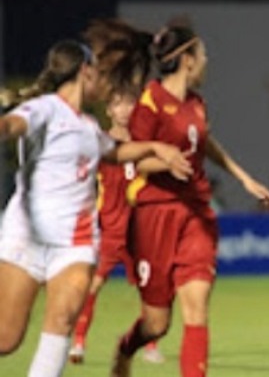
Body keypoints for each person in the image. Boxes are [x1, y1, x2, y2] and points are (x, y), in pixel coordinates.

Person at [0, 40, 190, 377]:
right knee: (6, 340)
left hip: (76, 244)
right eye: (99, 74)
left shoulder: (88, 126)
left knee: (61, 319)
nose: (102, 82)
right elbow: (13, 125)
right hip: (25, 238)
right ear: (84, 71)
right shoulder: (44, 108)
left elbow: (115, 150)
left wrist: (158, 148)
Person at [107, 23, 269, 377]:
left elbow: (205, 144)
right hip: (155, 215)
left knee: (196, 308)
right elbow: (133, 159)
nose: (206, 62)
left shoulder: (197, 104)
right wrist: (163, 157)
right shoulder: (150, 102)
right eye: (202, 55)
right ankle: (125, 349)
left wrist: (244, 178)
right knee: (156, 325)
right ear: (186, 59)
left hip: (197, 214)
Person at [68, 84, 165, 365]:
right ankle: (78, 343)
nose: (124, 110)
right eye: (118, 104)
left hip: (140, 234)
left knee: (153, 292)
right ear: (109, 110)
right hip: (108, 232)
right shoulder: (99, 144)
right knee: (91, 287)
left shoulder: (144, 144)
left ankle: (149, 346)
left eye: (129, 103)